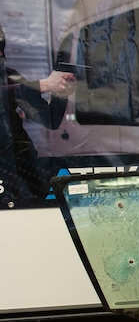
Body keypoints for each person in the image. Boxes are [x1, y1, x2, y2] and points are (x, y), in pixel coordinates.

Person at [0, 21, 76, 205]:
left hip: (22, 169)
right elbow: (9, 92)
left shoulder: (8, 76)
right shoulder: (14, 85)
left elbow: (49, 119)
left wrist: (61, 91)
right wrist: (43, 85)